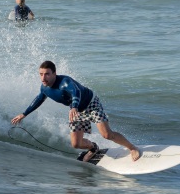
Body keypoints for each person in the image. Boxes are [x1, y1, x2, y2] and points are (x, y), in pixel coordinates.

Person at [11, 61, 141, 162]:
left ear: (54, 73)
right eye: (41, 74)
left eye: (47, 74)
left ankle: (132, 147)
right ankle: (93, 148)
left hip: (91, 104)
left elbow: (76, 92)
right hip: (77, 110)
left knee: (106, 135)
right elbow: (39, 99)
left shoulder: (65, 82)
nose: (43, 77)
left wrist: (74, 107)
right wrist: (24, 114)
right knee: (76, 144)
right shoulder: (44, 87)